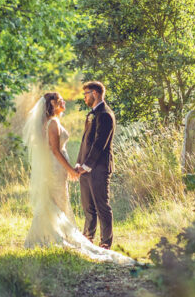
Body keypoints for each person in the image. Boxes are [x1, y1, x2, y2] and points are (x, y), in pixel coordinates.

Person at [22, 90, 133, 265]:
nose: (64, 102)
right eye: (61, 100)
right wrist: (70, 170)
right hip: (55, 168)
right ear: (53, 104)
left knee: (55, 201)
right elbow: (55, 151)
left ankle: (50, 235)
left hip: (56, 168)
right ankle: (53, 236)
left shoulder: (50, 122)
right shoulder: (53, 123)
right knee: (57, 201)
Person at [74, 81, 116, 249]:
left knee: (102, 206)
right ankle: (88, 239)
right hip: (85, 168)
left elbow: (100, 144)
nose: (84, 97)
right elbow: (85, 142)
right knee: (88, 207)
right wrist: (79, 163)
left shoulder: (105, 115)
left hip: (99, 168)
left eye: (86, 94)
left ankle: (105, 242)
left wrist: (87, 165)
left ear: (96, 94)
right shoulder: (91, 114)